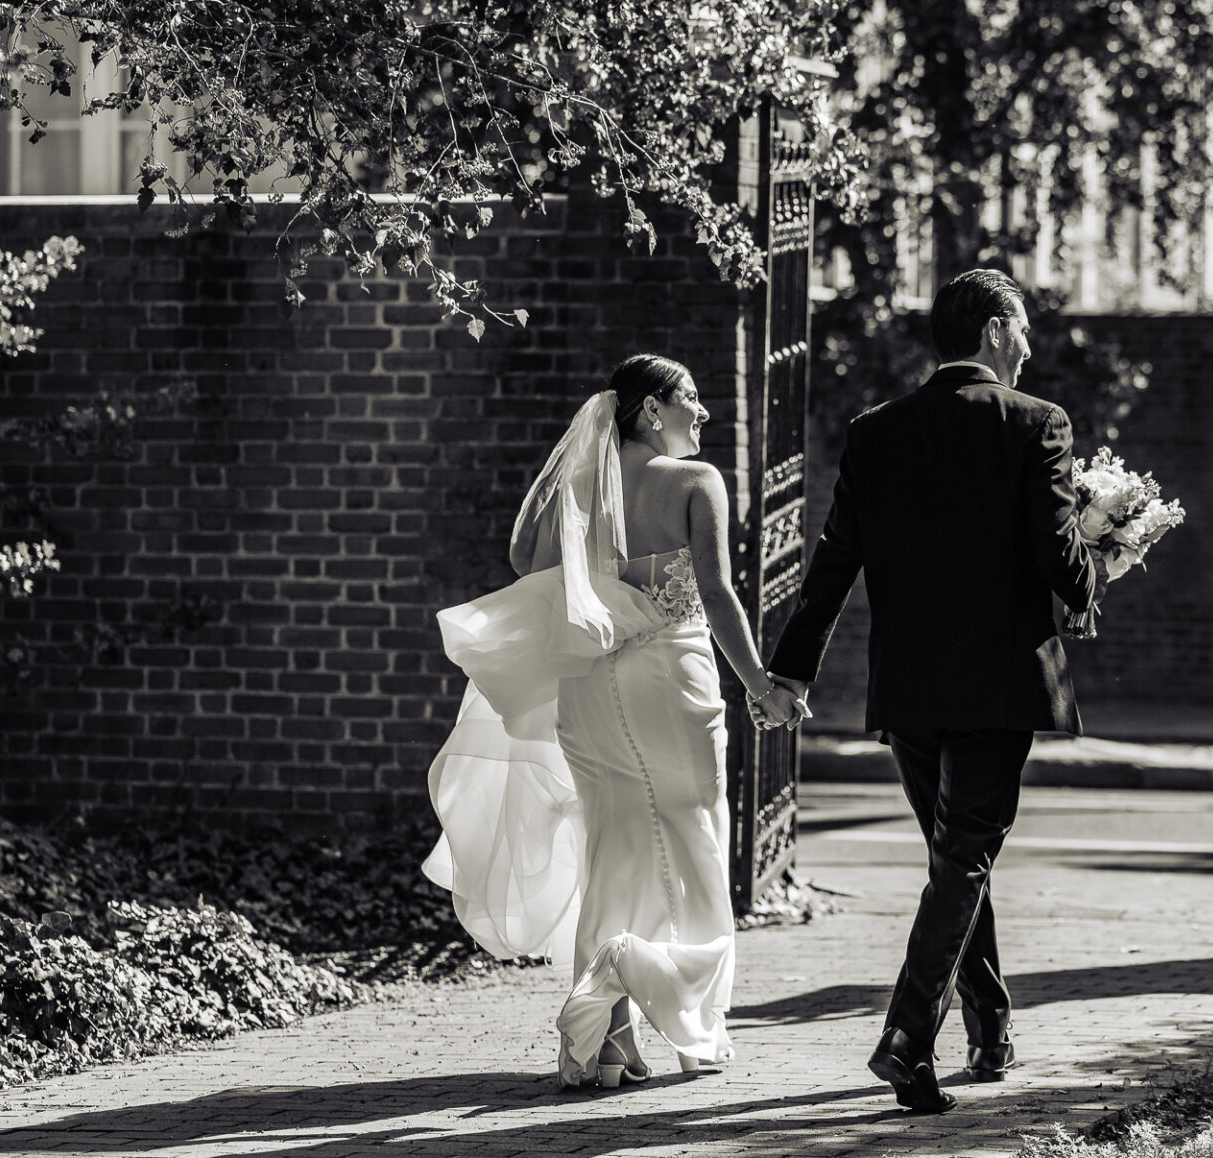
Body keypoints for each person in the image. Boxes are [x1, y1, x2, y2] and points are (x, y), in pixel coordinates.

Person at [766, 269, 1106, 1114]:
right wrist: (1096, 569)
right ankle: (908, 1037)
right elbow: (1059, 559)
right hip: (997, 684)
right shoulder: (1038, 424)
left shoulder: (877, 432)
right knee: (964, 860)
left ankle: (989, 1023)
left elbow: (834, 561)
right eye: (1022, 328)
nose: (1028, 346)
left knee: (958, 860)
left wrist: (792, 667)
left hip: (909, 684)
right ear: (994, 330)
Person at [421, 354, 801, 1088]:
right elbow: (717, 594)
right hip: (671, 677)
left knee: (613, 848)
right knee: (694, 838)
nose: (706, 412)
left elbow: (526, 564)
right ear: (652, 410)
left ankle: (605, 1038)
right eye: (692, 398)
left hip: (590, 681)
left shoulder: (580, 483)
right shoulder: (698, 482)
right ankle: (685, 1018)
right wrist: (761, 684)